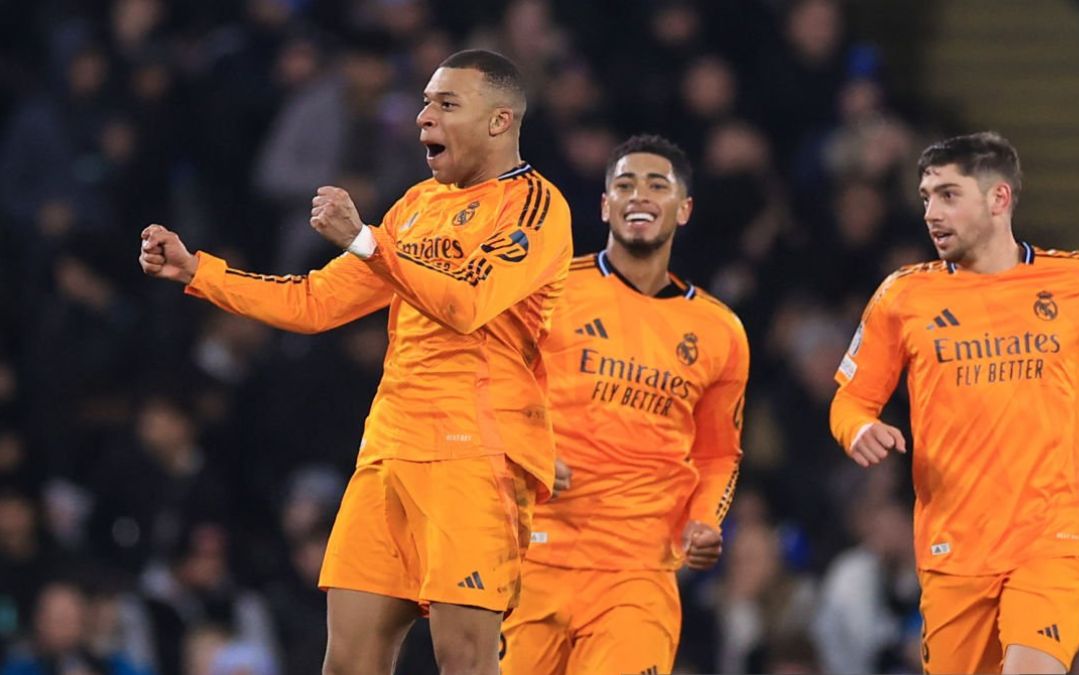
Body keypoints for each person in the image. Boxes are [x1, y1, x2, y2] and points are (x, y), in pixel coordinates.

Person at [139, 49, 573, 675]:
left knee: (464, 660)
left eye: (447, 104)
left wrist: (366, 241)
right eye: (425, 102)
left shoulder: (534, 206)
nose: (424, 117)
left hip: (476, 456)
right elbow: (316, 301)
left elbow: (467, 302)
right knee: (347, 662)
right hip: (388, 453)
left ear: (499, 121)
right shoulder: (416, 205)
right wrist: (199, 272)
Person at [828, 131, 1079, 674]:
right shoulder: (903, 297)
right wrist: (858, 428)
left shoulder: (1077, 283)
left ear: (999, 198)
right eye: (926, 197)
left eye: (948, 195)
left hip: (1053, 539)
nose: (931, 213)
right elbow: (851, 399)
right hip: (954, 551)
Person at [500, 134, 749, 675]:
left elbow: (719, 454)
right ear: (605, 205)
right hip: (531, 554)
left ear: (683, 209)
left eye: (657, 186)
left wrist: (704, 520)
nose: (639, 195)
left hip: (638, 573)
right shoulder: (547, 291)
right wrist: (525, 448)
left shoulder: (720, 330)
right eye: (625, 185)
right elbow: (483, 388)